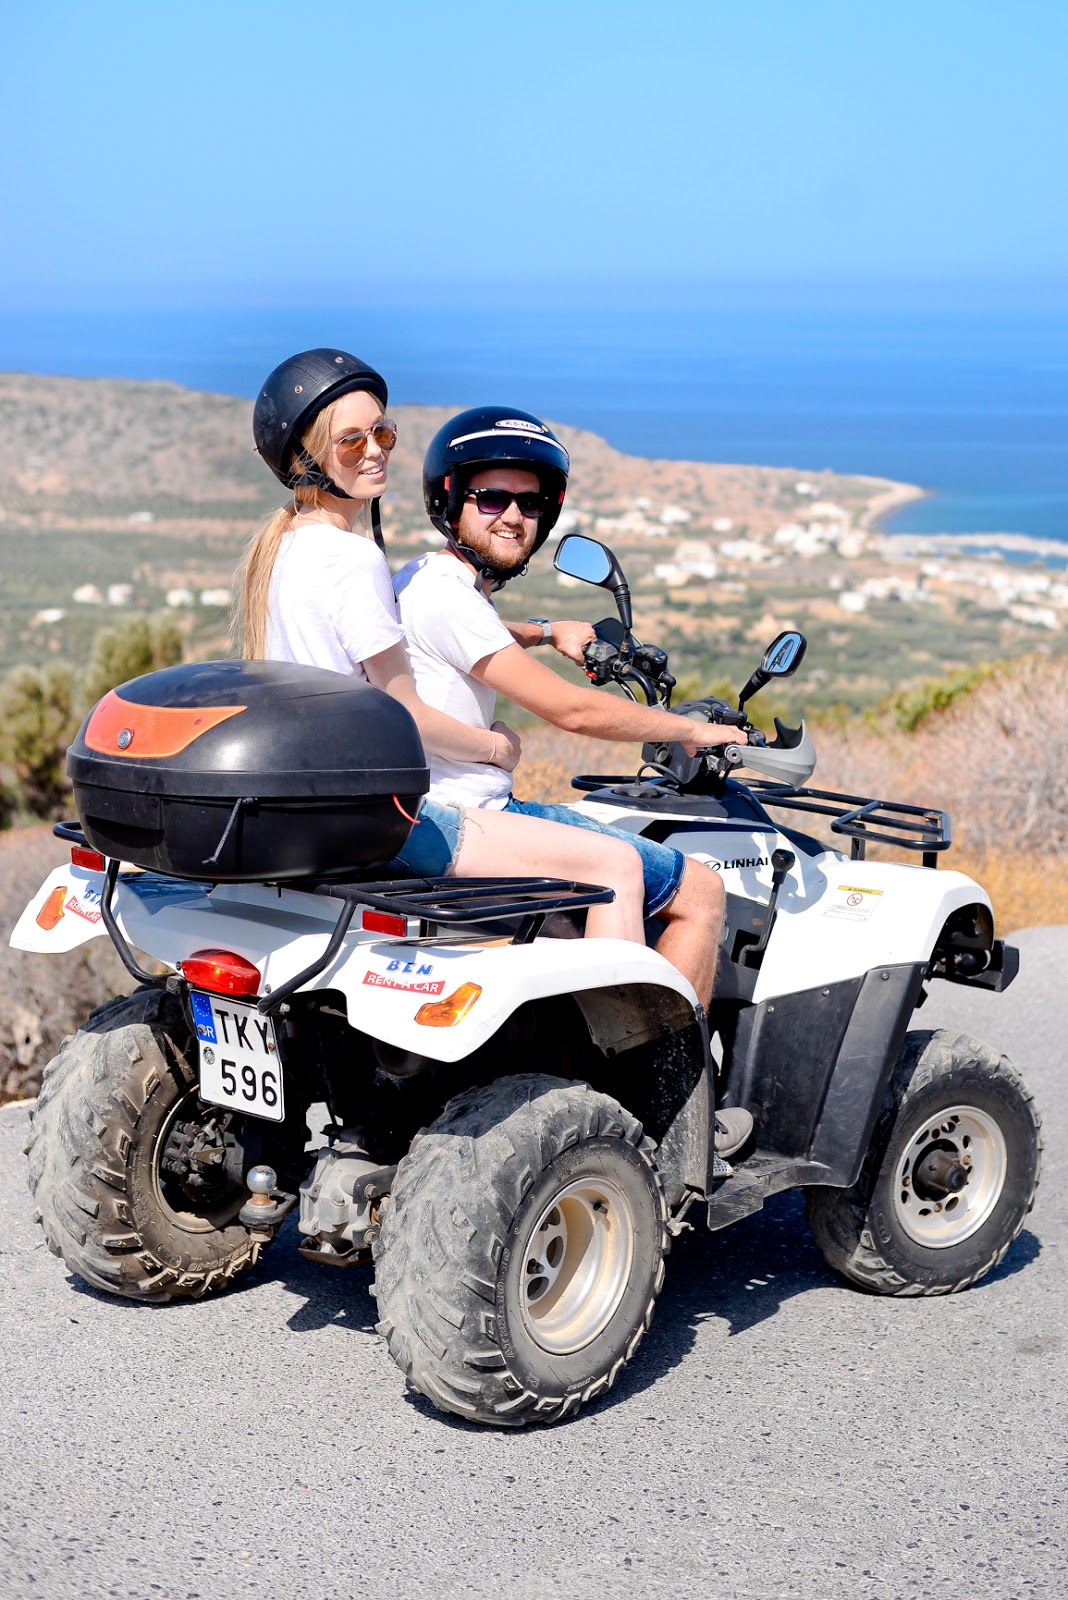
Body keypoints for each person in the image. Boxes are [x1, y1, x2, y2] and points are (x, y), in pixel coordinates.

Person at [395, 406, 754, 1157]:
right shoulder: (449, 598)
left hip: (425, 818)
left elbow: (469, 632)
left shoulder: (424, 584)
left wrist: (548, 629)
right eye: (492, 499)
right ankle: (665, 1106)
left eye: (530, 503)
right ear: (451, 504)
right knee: (697, 889)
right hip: (470, 817)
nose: (514, 515)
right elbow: (574, 712)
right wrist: (694, 730)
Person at [234, 348, 655, 948]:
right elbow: (405, 714)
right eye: (351, 441)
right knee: (617, 865)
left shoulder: (282, 550)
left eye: (382, 431)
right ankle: (641, 1043)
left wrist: (540, 630)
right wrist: (495, 748)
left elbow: (397, 636)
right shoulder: (352, 558)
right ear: (306, 458)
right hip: (382, 820)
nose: (375, 450)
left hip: (312, 812)